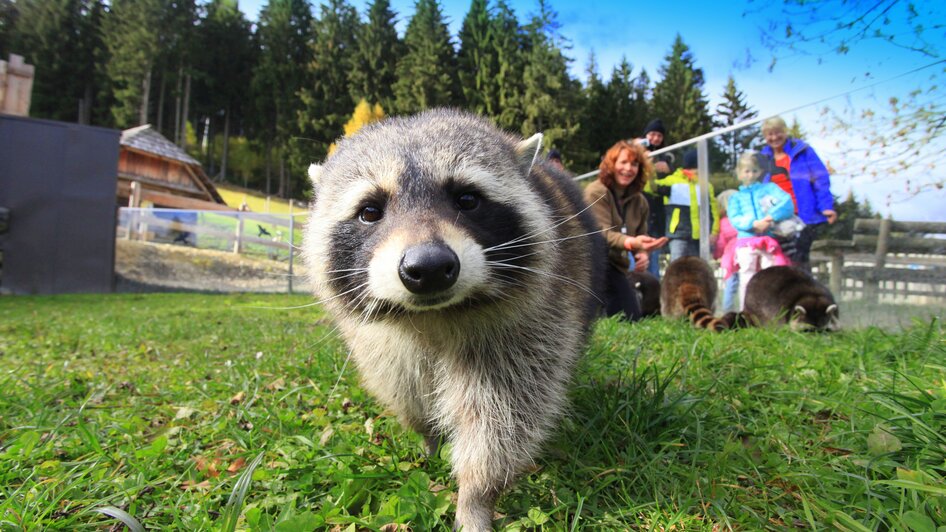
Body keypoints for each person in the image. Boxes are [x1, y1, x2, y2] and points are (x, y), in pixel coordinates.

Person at [584, 140, 668, 321]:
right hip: (592, 264)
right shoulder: (595, 192)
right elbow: (600, 233)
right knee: (620, 315)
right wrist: (631, 242)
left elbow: (640, 235)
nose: (628, 169)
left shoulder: (640, 201)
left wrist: (642, 253)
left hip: (617, 266)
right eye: (623, 162)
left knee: (631, 316)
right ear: (611, 164)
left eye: (634, 164)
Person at [759, 116, 837, 271]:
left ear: (785, 131)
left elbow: (820, 178)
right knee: (779, 259)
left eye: (778, 133)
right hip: (777, 216)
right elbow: (758, 188)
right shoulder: (763, 158)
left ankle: (804, 291)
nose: (774, 138)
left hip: (803, 214)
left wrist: (826, 205)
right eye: (769, 134)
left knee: (800, 258)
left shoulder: (802, 151)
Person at [727, 151, 795, 309]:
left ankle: (770, 309)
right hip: (746, 241)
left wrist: (769, 219)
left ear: (760, 172)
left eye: (754, 170)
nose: (751, 175)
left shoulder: (769, 188)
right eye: (747, 171)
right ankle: (747, 310)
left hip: (768, 239)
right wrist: (753, 223)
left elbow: (787, 203)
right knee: (747, 274)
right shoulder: (735, 197)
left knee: (770, 273)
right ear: (739, 173)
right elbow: (734, 218)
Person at [654, 149, 719, 262]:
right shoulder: (671, 181)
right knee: (677, 267)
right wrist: (650, 169)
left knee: (699, 269)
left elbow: (713, 211)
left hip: (701, 236)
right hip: (678, 234)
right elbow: (649, 187)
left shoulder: (706, 186)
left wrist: (714, 232)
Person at [637, 118, 674, 279]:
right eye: (652, 134)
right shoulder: (637, 150)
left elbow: (670, 169)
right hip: (640, 208)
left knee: (655, 253)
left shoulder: (667, 154)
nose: (655, 139)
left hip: (658, 211)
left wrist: (666, 167)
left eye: (659, 135)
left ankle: (653, 284)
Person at [714, 189, 739, 313]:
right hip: (743, 252)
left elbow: (720, 242)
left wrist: (718, 255)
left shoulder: (723, 222)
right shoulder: (740, 219)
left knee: (731, 283)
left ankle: (727, 309)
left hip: (729, 257)